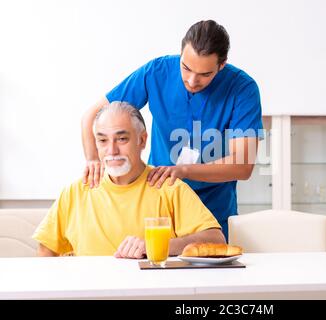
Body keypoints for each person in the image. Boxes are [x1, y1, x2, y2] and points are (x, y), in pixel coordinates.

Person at [81, 20, 263, 240]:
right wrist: (93, 159)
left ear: (221, 65)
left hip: (212, 208)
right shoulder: (157, 72)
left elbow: (242, 166)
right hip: (159, 198)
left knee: (209, 265)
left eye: (205, 74)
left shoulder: (242, 89)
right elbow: (91, 116)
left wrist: (183, 170)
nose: (192, 80)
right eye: (186, 68)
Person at [33, 102, 225, 258]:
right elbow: (46, 250)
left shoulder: (168, 187)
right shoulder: (76, 192)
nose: (112, 151)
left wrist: (156, 246)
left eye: (122, 139)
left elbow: (216, 239)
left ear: (142, 140)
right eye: (103, 140)